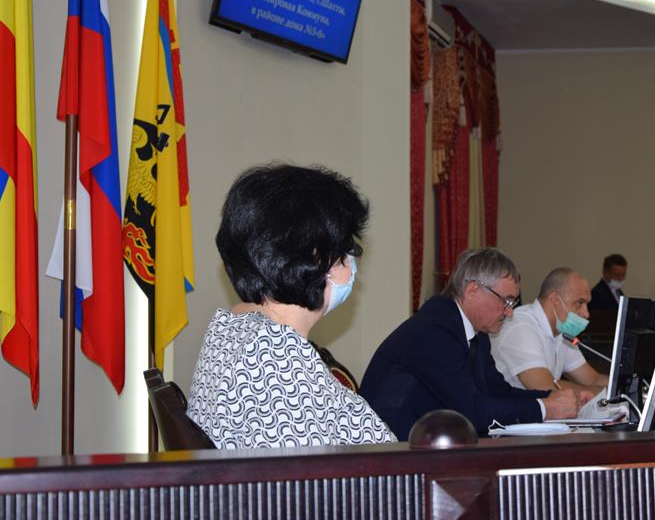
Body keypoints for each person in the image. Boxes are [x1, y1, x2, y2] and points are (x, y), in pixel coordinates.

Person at [187, 164, 395, 448]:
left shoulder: (236, 328)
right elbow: (307, 475)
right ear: (317, 259)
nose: (352, 260)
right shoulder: (274, 361)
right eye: (345, 249)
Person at [359, 248, 581, 439]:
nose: (509, 312)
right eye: (506, 301)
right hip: (391, 451)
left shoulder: (476, 332)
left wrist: (552, 398)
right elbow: (472, 412)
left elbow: (497, 392)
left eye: (512, 303)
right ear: (473, 290)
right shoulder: (434, 330)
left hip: (427, 443)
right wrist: (545, 408)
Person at [492, 268, 608, 396]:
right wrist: (604, 394)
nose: (586, 314)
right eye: (579, 303)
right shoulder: (520, 326)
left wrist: (620, 387)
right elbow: (545, 387)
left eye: (587, 304)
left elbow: (592, 379)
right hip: (510, 407)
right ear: (554, 300)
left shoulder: (562, 331)